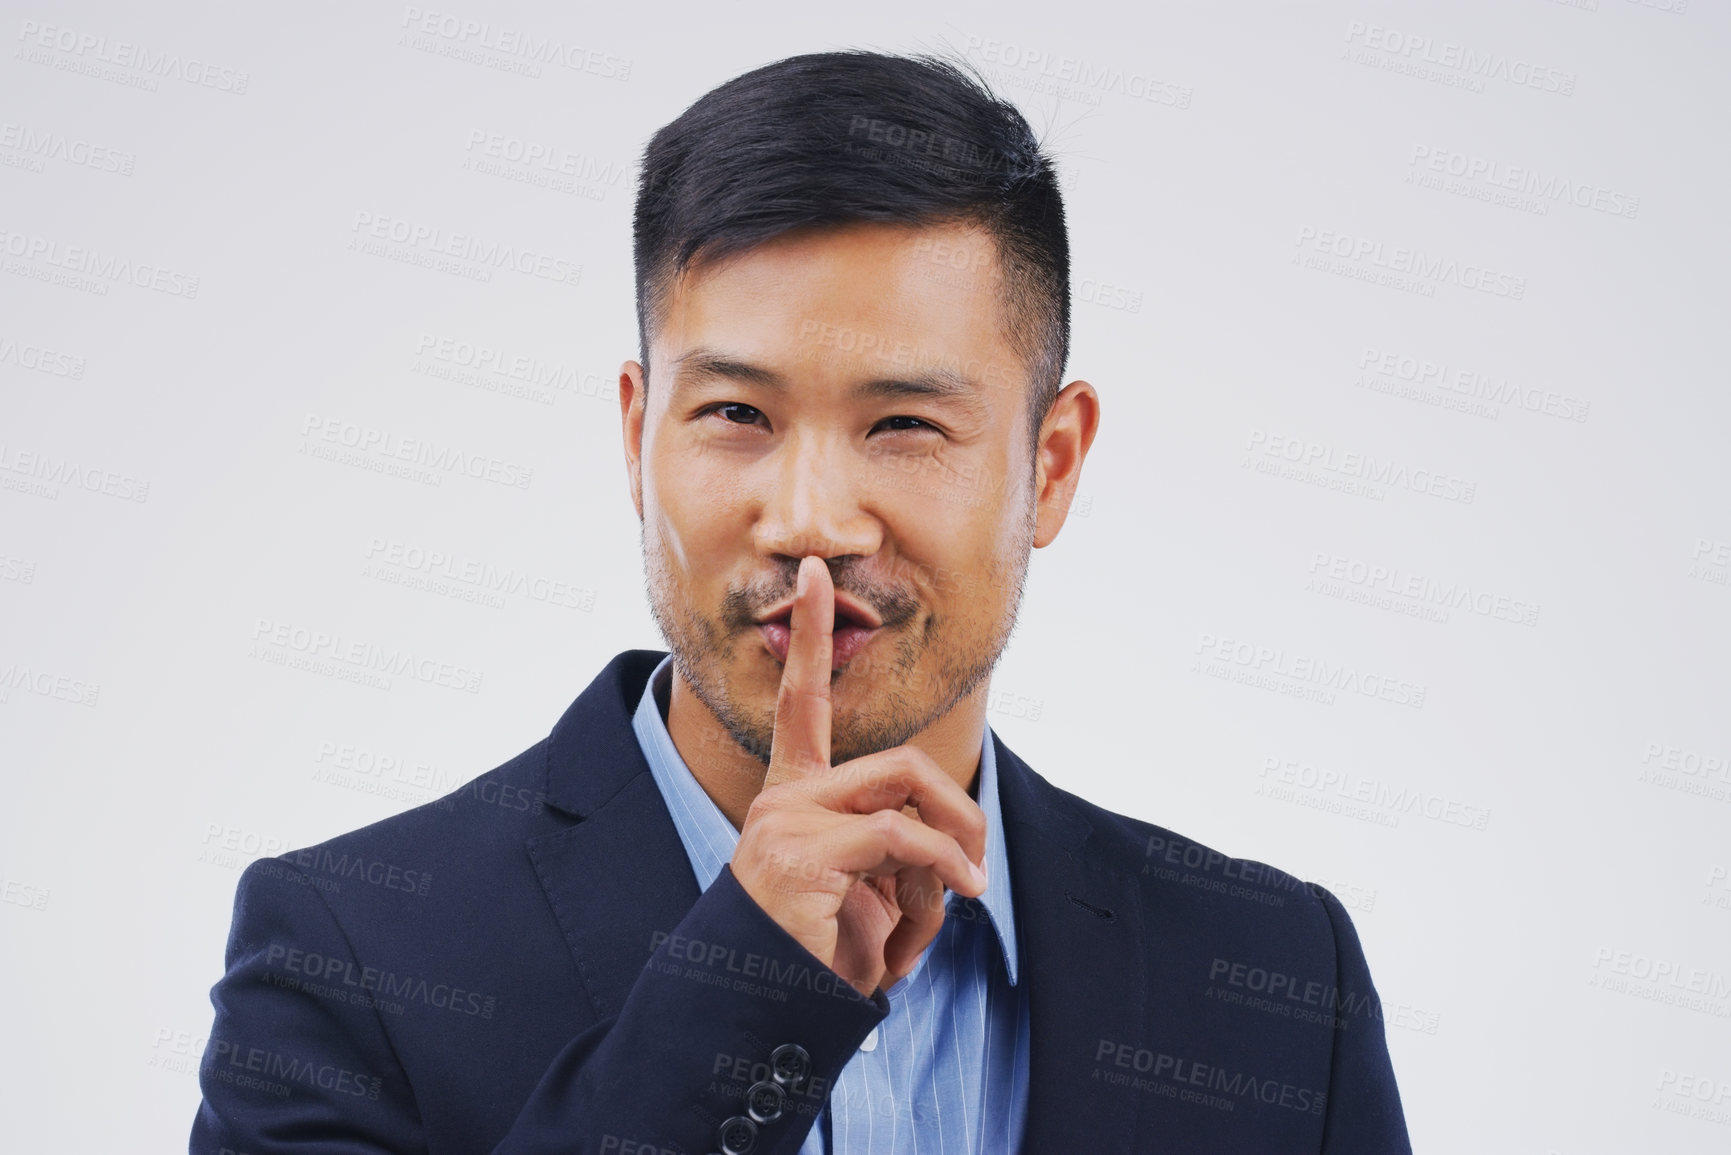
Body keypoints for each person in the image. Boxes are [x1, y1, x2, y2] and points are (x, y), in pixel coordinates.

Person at [191, 50, 1411, 1154]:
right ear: (636, 436)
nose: (811, 520)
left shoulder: (1273, 985)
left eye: (903, 424)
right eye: (735, 416)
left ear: (1050, 466)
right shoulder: (350, 958)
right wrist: (736, 986)